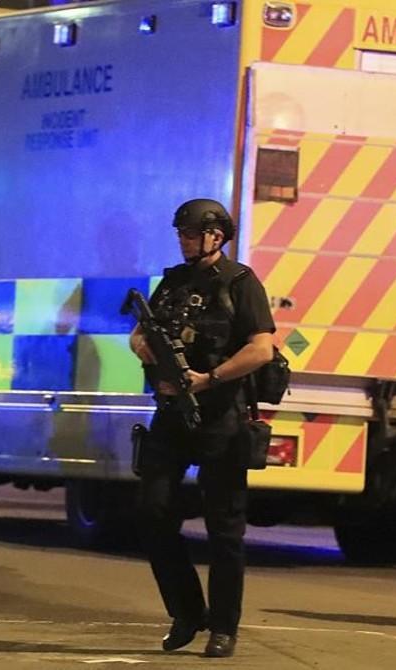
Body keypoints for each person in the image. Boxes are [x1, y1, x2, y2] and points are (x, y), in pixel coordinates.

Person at [131, 198, 275, 658]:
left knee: (225, 529)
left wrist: (208, 378)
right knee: (152, 513)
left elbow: (262, 349)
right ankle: (187, 611)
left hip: (221, 418)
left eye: (190, 233)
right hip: (171, 417)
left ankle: (224, 626)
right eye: (181, 234)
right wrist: (145, 348)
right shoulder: (173, 282)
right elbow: (139, 332)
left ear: (216, 235)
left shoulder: (241, 283)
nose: (183, 240)